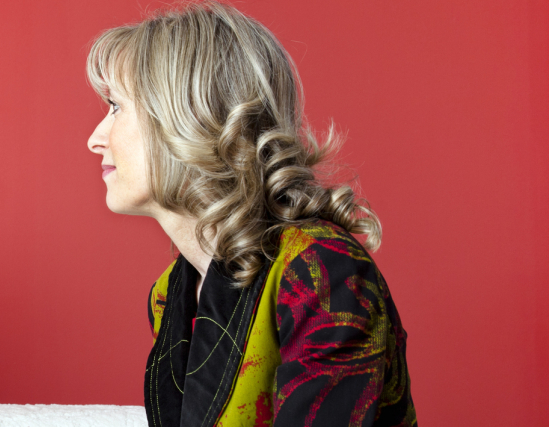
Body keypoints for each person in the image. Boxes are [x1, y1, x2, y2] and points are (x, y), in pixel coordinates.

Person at [84, 3, 414, 426]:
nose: (96, 139)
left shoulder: (320, 268)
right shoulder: (171, 291)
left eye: (116, 107)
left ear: (189, 116)